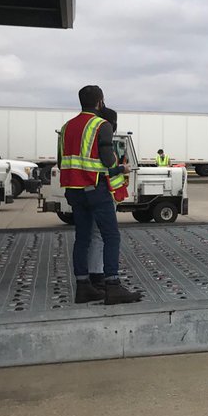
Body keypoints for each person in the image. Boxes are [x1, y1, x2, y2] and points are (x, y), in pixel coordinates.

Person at [58, 85, 142, 305]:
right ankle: (112, 286)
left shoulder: (66, 127)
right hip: (95, 190)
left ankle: (83, 287)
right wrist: (120, 168)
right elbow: (106, 161)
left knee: (83, 238)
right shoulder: (101, 125)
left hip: (74, 191)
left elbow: (62, 162)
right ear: (100, 102)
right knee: (111, 236)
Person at [86, 106, 129, 291]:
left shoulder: (89, 140)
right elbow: (106, 168)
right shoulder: (103, 141)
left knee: (93, 236)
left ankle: (94, 274)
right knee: (107, 236)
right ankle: (108, 279)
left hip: (91, 192)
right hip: (103, 193)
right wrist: (121, 169)